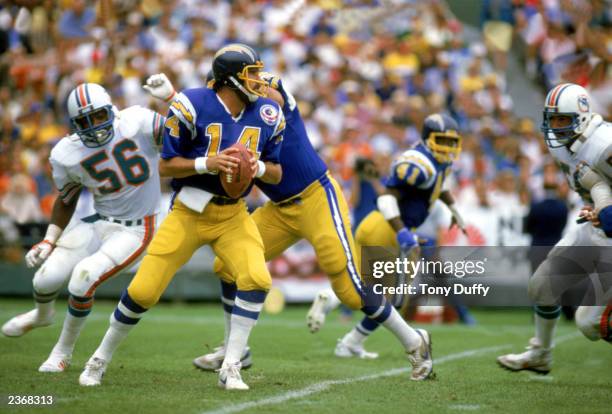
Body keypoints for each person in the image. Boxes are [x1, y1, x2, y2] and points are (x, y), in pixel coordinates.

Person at [148, 67, 435, 381]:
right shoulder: (233, 113)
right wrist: (176, 100)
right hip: (280, 209)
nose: (257, 89)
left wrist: (183, 97)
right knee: (228, 267)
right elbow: (209, 131)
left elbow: (265, 102)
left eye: (261, 83)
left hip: (316, 197)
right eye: (249, 82)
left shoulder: (270, 106)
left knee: (350, 288)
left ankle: (415, 342)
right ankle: (236, 350)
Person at [78, 44, 284, 390]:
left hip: (233, 214)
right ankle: (98, 358)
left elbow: (276, 172)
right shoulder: (192, 104)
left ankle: (231, 367)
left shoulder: (267, 113)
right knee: (143, 290)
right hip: (189, 211)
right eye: (251, 74)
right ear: (228, 80)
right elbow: (165, 166)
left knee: (257, 278)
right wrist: (210, 163)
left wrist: (255, 166)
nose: (259, 81)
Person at [1, 83, 164, 375]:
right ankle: (42, 314)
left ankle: (62, 352)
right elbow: (66, 199)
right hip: (99, 221)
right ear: (74, 124)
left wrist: (173, 100)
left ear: (111, 110)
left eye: (99, 116)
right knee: (45, 279)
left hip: (137, 229)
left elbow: (182, 140)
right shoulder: (67, 152)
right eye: (84, 121)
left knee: (82, 279)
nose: (94, 126)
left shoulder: (139, 120)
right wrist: (49, 241)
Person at [309, 114, 466, 358]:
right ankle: (351, 341)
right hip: (391, 228)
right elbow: (386, 197)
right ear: (427, 138)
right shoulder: (416, 162)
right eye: (442, 140)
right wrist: (402, 232)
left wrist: (454, 209)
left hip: (376, 224)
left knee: (363, 285)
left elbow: (440, 185)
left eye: (451, 142)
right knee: (392, 299)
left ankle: (331, 303)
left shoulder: (437, 162)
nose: (448, 147)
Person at [498, 83, 612, 374]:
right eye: (553, 119)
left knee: (590, 324)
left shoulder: (604, 145)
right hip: (597, 226)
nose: (556, 126)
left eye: (563, 119)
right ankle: (540, 354)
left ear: (583, 116)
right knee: (542, 286)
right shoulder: (561, 143)